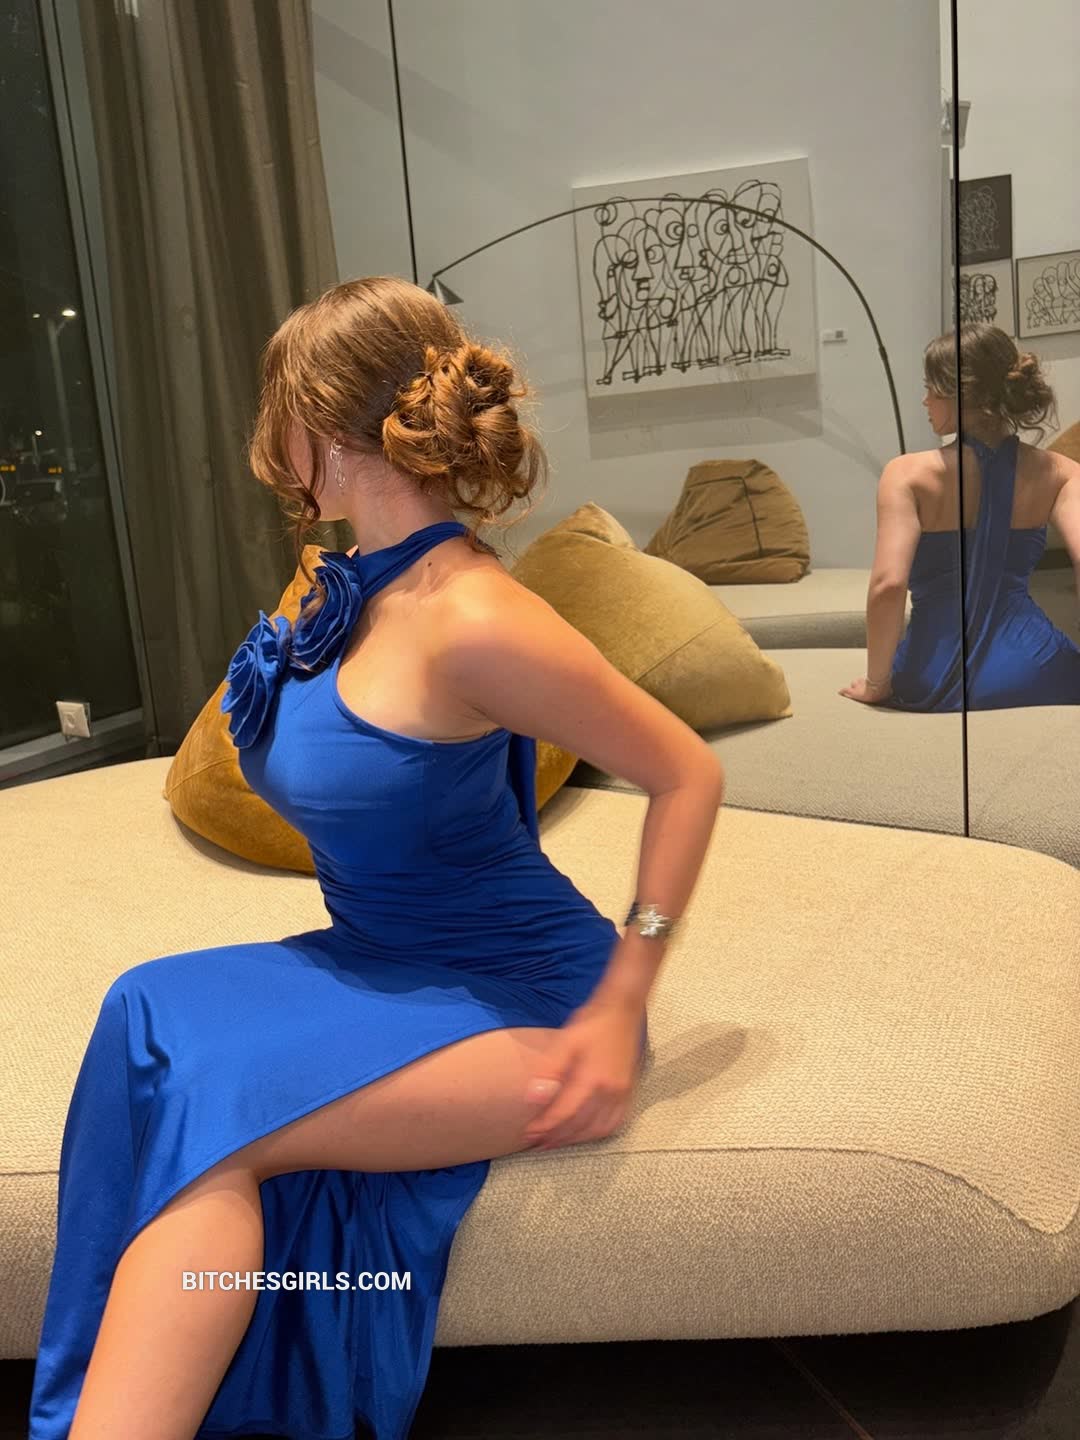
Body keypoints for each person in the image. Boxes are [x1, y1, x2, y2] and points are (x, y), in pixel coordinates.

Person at [27, 276, 726, 1440]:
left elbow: (687, 774)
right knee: (145, 1007)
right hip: (381, 962)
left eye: (278, 410)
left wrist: (622, 1003)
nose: (269, 446)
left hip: (528, 997)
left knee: (214, 1110)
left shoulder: (476, 618)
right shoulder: (340, 592)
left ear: (318, 421)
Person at [840, 322, 1080, 710]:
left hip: (935, 675)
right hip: (1040, 669)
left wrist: (876, 683)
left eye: (931, 388)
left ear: (961, 393)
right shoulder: (1062, 472)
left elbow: (888, 586)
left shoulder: (905, 475)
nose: (925, 401)